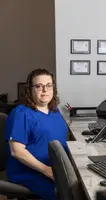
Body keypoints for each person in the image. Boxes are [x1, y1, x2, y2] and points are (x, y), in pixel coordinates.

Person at [5, 68, 68, 200]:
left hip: (55, 169)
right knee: (66, 194)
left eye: (49, 85)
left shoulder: (55, 111)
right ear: (30, 89)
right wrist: (47, 171)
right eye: (39, 86)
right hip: (31, 172)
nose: (45, 90)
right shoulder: (21, 113)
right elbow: (17, 152)